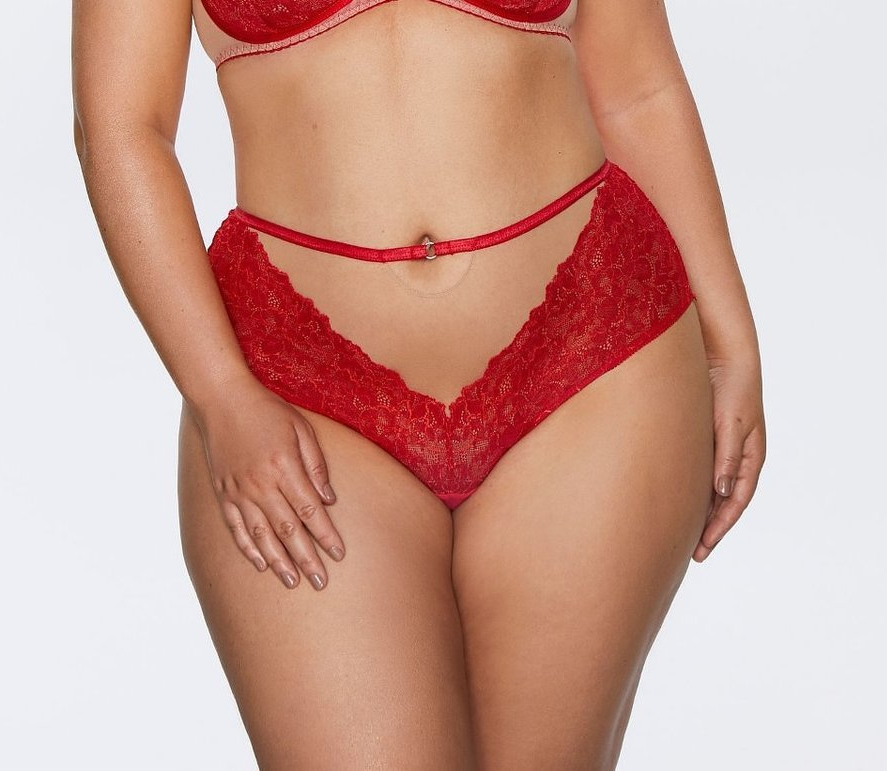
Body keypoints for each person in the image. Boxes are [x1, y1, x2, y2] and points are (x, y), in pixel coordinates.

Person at [72, 0, 766, 766]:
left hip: (588, 350)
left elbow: (638, 89)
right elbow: (122, 127)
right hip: (293, 387)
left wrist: (731, 343)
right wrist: (219, 392)